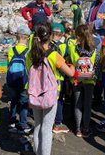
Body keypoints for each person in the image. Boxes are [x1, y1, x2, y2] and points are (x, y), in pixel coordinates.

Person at [27, 23, 75, 155]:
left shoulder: (30, 54)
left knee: (37, 125)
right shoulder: (53, 55)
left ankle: (37, 152)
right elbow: (70, 73)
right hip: (50, 96)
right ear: (50, 37)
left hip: (35, 94)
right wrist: (73, 67)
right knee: (47, 129)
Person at [69, 24, 99, 138]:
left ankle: (77, 129)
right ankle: (86, 128)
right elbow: (96, 65)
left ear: (77, 35)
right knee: (87, 105)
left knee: (77, 104)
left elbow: (70, 61)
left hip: (76, 79)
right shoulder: (94, 49)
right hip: (90, 80)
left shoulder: (73, 47)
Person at [7, 26, 32, 134]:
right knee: (23, 103)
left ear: (17, 37)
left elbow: (8, 65)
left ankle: (12, 122)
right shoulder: (28, 51)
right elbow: (30, 68)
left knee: (13, 101)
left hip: (12, 81)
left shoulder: (10, 50)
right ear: (27, 38)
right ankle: (23, 123)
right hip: (24, 82)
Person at [50, 23, 70, 134]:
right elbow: (66, 58)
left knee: (50, 99)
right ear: (62, 34)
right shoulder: (64, 46)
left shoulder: (47, 45)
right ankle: (58, 122)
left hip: (49, 76)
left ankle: (49, 120)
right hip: (60, 77)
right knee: (59, 100)